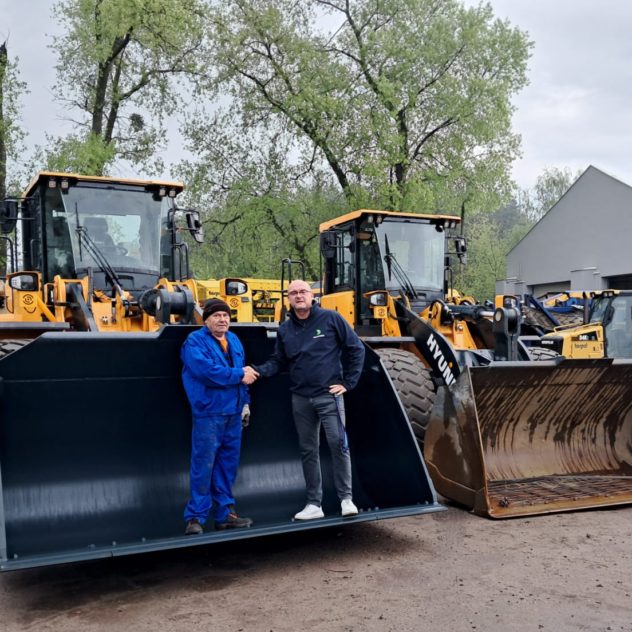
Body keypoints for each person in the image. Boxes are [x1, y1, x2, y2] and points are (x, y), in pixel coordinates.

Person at [252, 280, 366, 520]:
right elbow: (278, 361)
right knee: (308, 450)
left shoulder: (331, 319)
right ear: (288, 298)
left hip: (329, 396)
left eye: (303, 291)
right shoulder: (285, 329)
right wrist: (258, 371)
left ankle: (346, 499)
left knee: (338, 444)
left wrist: (348, 383)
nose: (298, 296)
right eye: (293, 293)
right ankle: (314, 504)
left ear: (312, 295)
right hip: (301, 399)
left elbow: (356, 348)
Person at [181, 298, 257, 535]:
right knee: (203, 465)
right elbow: (206, 372)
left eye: (226, 316)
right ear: (206, 320)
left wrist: (245, 403)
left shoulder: (233, 340)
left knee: (227, 465)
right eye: (216, 316)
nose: (222, 320)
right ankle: (195, 517)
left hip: (234, 412)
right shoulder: (194, 342)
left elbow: (243, 377)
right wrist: (239, 375)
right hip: (209, 412)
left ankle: (225, 514)